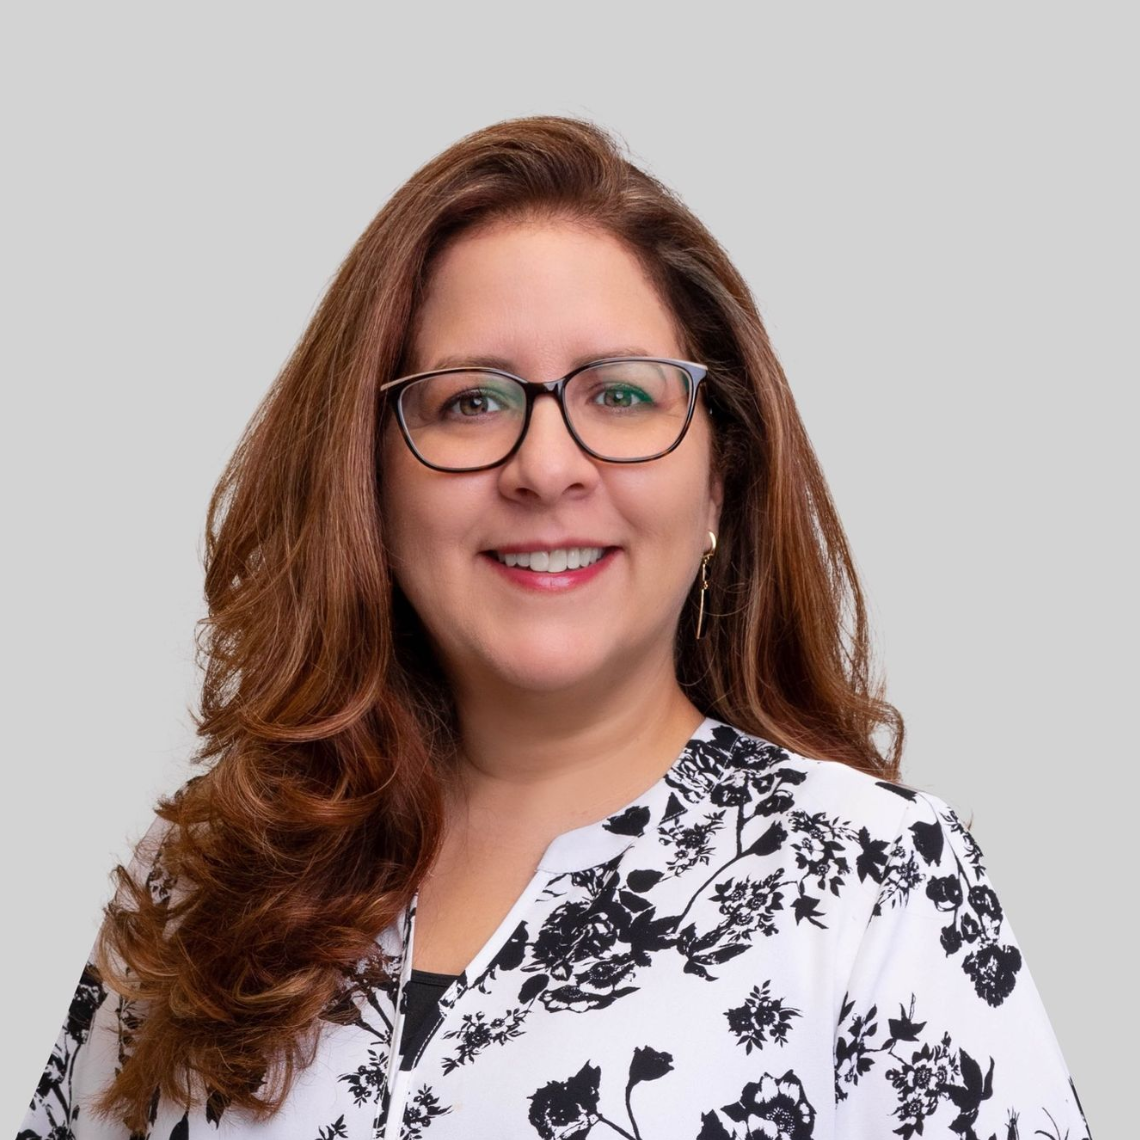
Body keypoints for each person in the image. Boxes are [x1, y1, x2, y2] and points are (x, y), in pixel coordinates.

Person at [17, 114, 1092, 1140]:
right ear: (370, 484)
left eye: (621, 396)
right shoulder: (205, 881)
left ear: (720, 477)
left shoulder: (872, 888)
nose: (545, 468)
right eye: (471, 400)